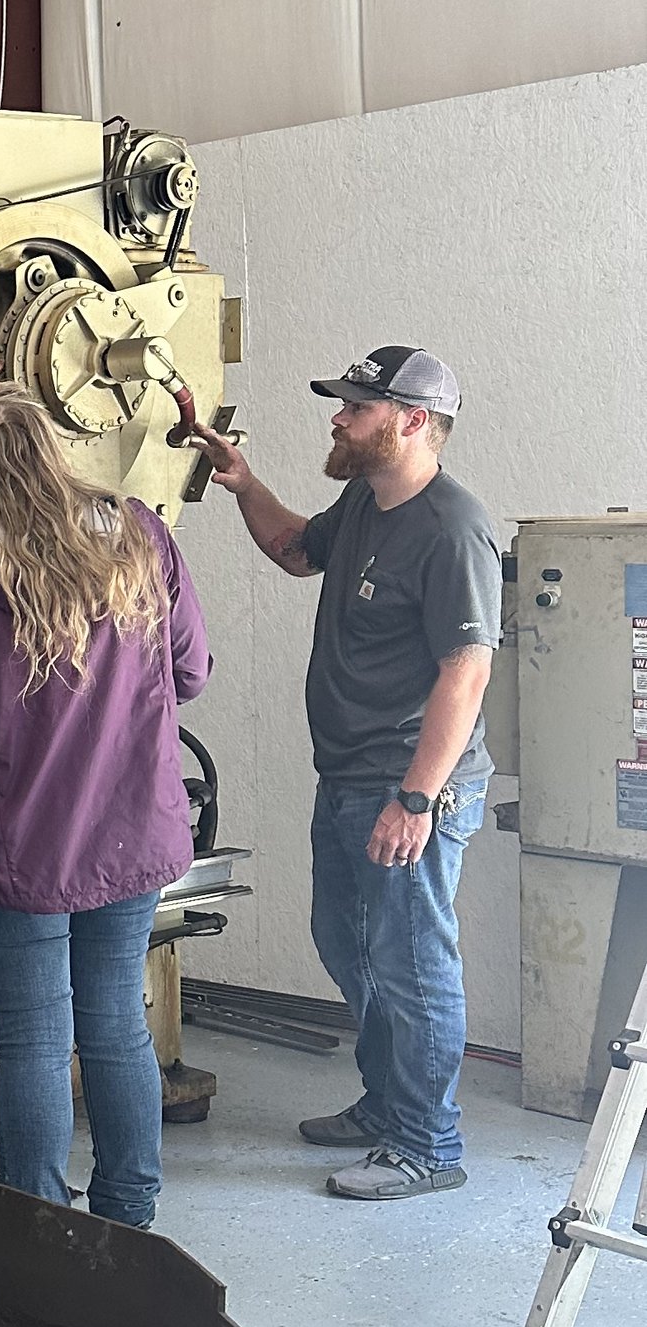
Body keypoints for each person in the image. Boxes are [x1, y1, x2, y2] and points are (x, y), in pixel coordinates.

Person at [0, 385, 210, 1230]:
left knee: (30, 1040)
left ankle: (37, 1229)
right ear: (57, 449)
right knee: (115, 1026)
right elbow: (190, 672)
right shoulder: (141, 537)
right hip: (130, 836)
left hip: (7, 851)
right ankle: (130, 1217)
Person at [187, 346, 498, 1202]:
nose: (338, 417)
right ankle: (388, 1102)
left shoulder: (451, 527)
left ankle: (429, 1144)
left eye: (356, 408)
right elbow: (294, 551)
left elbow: (464, 674)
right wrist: (244, 482)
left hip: (410, 784)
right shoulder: (366, 500)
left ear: (412, 422)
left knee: (411, 961)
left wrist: (416, 797)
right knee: (346, 942)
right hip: (350, 775)